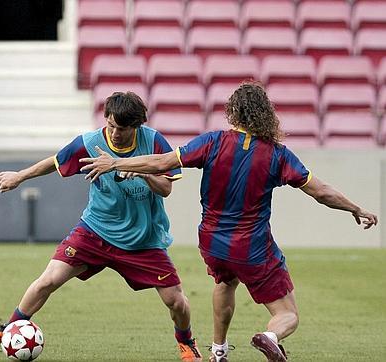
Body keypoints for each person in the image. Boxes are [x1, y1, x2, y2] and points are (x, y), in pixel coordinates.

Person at [79, 82, 379, 362]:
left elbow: (162, 162)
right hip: (252, 247)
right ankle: (270, 335)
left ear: (232, 112)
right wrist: (355, 208)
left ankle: (219, 351)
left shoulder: (212, 142)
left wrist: (115, 162)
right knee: (288, 314)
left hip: (212, 243)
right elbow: (321, 192)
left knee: (225, 281)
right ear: (265, 115)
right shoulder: (277, 155)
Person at [0, 92, 203, 362]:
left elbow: (166, 188)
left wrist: (142, 171)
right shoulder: (90, 142)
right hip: (95, 231)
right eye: (111, 125)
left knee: (175, 301)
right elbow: (56, 161)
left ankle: (186, 342)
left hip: (142, 240)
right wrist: (20, 176)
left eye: (122, 128)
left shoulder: (153, 141)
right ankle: (9, 329)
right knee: (47, 280)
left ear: (137, 126)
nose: (115, 133)